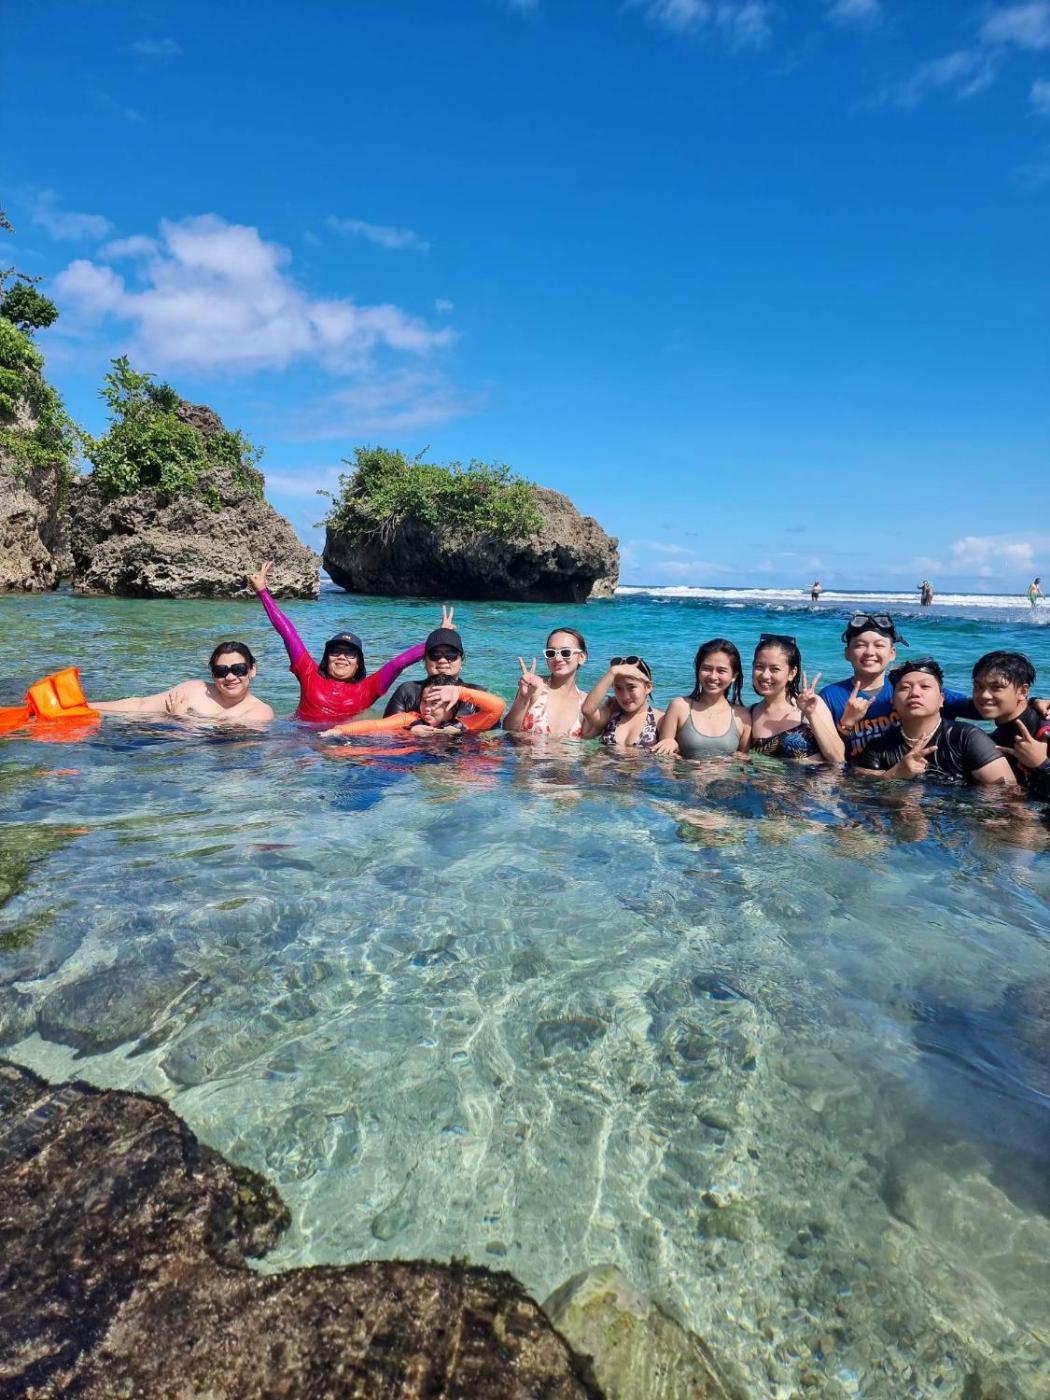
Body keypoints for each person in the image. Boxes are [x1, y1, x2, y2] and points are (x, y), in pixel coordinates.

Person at [248, 560, 431, 723]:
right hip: (303, 738)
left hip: (344, 741)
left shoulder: (368, 688)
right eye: (335, 652)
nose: (342, 657)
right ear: (327, 658)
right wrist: (263, 592)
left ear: (358, 663)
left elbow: (399, 663)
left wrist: (439, 637)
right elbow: (288, 634)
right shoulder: (309, 674)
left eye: (350, 653)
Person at [819, 613, 968, 760]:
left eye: (879, 645)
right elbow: (828, 753)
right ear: (847, 653)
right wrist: (846, 723)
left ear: (892, 653)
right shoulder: (830, 696)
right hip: (857, 774)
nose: (870, 652)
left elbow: (974, 707)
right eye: (860, 645)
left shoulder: (908, 689)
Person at [853, 659, 1015, 785]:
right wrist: (894, 774)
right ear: (893, 702)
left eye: (925, 686)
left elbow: (1008, 792)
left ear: (941, 699)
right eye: (905, 688)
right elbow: (861, 791)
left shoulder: (967, 738)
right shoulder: (879, 748)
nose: (915, 693)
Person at [92, 642, 274, 726]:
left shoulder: (260, 712)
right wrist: (88, 706)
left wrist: (179, 718)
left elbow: (222, 736)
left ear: (252, 670)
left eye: (239, 669)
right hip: (147, 739)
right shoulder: (194, 689)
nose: (230, 677)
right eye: (221, 671)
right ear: (212, 673)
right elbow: (141, 705)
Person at [748, 634, 844, 763]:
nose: (765, 675)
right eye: (759, 667)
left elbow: (838, 758)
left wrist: (811, 715)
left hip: (816, 776)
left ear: (792, 673)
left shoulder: (813, 704)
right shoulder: (750, 714)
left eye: (775, 669)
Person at [968, 651, 1050, 797]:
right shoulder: (993, 739)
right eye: (978, 686)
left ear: (1023, 691)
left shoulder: (1045, 730)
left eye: (997, 687)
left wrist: (1042, 764)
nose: (984, 695)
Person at [653, 639, 750, 758]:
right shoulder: (679, 706)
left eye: (721, 671)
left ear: (734, 676)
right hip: (684, 771)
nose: (713, 676)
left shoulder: (742, 716)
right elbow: (664, 758)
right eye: (706, 668)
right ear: (698, 670)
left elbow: (743, 762)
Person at [323, 676, 505, 738]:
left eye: (435, 703)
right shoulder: (410, 719)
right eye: (424, 701)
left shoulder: (465, 724)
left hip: (453, 767)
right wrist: (340, 730)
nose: (427, 708)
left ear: (452, 707)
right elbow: (376, 725)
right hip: (413, 761)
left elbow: (498, 707)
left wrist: (460, 692)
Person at [503, 628, 592, 738]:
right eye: (551, 653)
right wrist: (523, 698)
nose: (558, 658)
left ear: (581, 657)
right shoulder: (535, 687)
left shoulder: (586, 703)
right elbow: (508, 729)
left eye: (566, 652)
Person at [383, 624, 478, 721]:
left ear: (462, 661)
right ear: (424, 660)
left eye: (451, 655)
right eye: (435, 654)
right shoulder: (407, 691)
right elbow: (386, 727)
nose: (442, 660)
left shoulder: (476, 694)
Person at [582, 656, 663, 749]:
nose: (625, 696)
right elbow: (587, 710)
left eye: (631, 687)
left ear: (648, 687)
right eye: (618, 688)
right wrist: (613, 672)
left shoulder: (660, 720)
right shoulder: (611, 715)